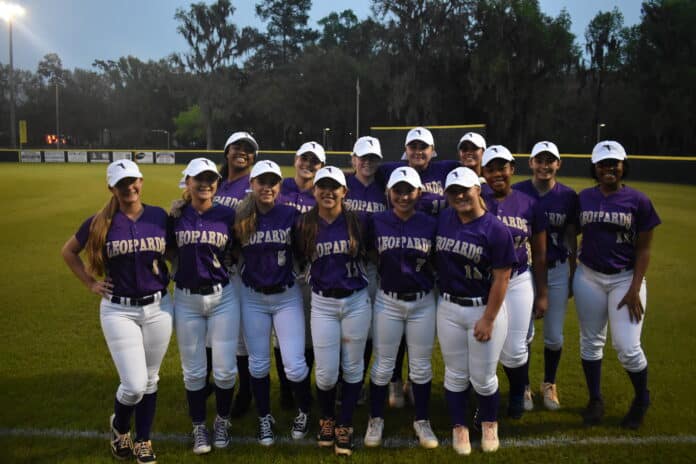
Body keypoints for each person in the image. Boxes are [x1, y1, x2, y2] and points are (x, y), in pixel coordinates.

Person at [62, 160, 172, 464]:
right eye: (122, 183)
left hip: (159, 307)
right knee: (134, 385)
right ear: (112, 188)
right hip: (118, 311)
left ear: (141, 180)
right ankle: (120, 426)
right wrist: (90, 283)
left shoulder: (159, 216)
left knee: (151, 379)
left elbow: (175, 251)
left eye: (133, 181)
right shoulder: (99, 222)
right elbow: (68, 251)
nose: (129, 188)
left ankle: (143, 440)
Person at [574, 141, 659, 429]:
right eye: (603, 164)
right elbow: (572, 233)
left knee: (627, 346)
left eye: (614, 163)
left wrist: (635, 287)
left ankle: (641, 398)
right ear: (594, 168)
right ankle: (595, 399)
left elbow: (644, 249)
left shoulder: (639, 200)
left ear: (623, 166)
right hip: (588, 276)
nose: (609, 168)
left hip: (625, 278)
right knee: (590, 342)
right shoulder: (583, 197)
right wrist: (574, 265)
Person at [376, 127, 459, 407]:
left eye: (423, 147)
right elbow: (364, 170)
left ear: (432, 150)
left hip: (430, 255)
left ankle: (415, 379)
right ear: (405, 150)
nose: (418, 151)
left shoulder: (446, 169)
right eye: (413, 147)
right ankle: (395, 381)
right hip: (396, 255)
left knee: (420, 329)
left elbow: (471, 171)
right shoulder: (392, 170)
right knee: (395, 331)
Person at [436, 167, 516, 454]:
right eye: (453, 191)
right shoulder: (444, 218)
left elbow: (502, 277)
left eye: (465, 190)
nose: (459, 196)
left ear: (478, 190)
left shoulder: (495, 229)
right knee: (456, 374)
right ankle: (459, 427)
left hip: (483, 308)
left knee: (483, 377)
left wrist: (489, 319)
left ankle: (489, 423)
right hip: (448, 307)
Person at [235, 160, 313, 445]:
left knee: (294, 364)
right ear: (252, 184)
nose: (267, 187)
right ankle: (264, 417)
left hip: (286, 296)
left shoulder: (291, 215)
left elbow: (305, 249)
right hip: (252, 297)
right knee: (257, 364)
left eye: (273, 182)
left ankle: (304, 410)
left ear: (280, 186)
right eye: (261, 182)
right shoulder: (240, 216)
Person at [295, 166, 371, 456]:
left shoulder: (359, 222)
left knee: (352, 367)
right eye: (322, 186)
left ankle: (345, 424)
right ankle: (326, 419)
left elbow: (374, 253)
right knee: (326, 373)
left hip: (355, 301)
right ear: (314, 191)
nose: (328, 192)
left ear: (344, 191)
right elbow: (300, 257)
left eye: (334, 186)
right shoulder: (304, 224)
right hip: (323, 302)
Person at [363, 167, 439, 449]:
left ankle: (422, 420)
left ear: (419, 193)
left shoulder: (430, 223)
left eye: (410, 190)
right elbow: (371, 251)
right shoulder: (377, 221)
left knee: (420, 367)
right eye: (398, 190)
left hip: (422, 301)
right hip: (388, 299)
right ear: (388, 192)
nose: (404, 196)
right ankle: (376, 418)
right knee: (383, 366)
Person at [169, 158, 240, 455]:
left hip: (222, 297)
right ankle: (199, 425)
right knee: (195, 372)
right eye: (199, 178)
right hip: (185, 299)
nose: (206, 183)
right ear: (188, 182)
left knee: (224, 371)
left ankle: (222, 421)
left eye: (211, 178)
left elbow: (238, 246)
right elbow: (165, 248)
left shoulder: (228, 214)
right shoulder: (174, 215)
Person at [481, 145, 548, 419]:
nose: (498, 173)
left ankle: (518, 393)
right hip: (485, 281)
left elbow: (541, 252)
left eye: (502, 167)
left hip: (519, 279)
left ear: (512, 169)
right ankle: (483, 393)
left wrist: (542, 293)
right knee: (483, 340)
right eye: (491, 169)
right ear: (483, 172)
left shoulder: (528, 203)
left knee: (515, 349)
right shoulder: (476, 199)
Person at [513, 141, 578, 410]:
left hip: (557, 269)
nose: (544, 165)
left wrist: (573, 272)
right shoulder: (518, 192)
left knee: (554, 336)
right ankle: (525, 385)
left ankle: (549, 383)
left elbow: (571, 236)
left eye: (550, 160)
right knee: (524, 334)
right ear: (531, 163)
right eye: (539, 160)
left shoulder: (568, 196)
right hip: (526, 271)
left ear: (558, 164)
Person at [274, 141, 327, 410]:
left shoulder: (322, 193)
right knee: (281, 335)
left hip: (308, 269)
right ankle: (285, 388)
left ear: (321, 167)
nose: (308, 165)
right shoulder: (279, 186)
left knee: (306, 333)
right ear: (296, 159)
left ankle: (302, 387)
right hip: (279, 269)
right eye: (304, 159)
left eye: (314, 161)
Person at [214, 131, 260, 418]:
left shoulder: (254, 184)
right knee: (217, 331)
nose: (242, 152)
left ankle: (246, 390)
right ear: (226, 151)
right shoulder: (215, 182)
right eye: (236, 147)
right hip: (214, 269)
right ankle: (216, 382)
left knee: (243, 335)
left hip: (243, 267)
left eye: (248, 149)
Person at [344, 136, 388, 406]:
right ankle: (344, 379)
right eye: (363, 157)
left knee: (368, 329)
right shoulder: (343, 184)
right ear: (353, 159)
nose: (367, 162)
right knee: (344, 327)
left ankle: (358, 382)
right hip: (342, 266)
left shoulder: (386, 188)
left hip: (372, 266)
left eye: (373, 157)